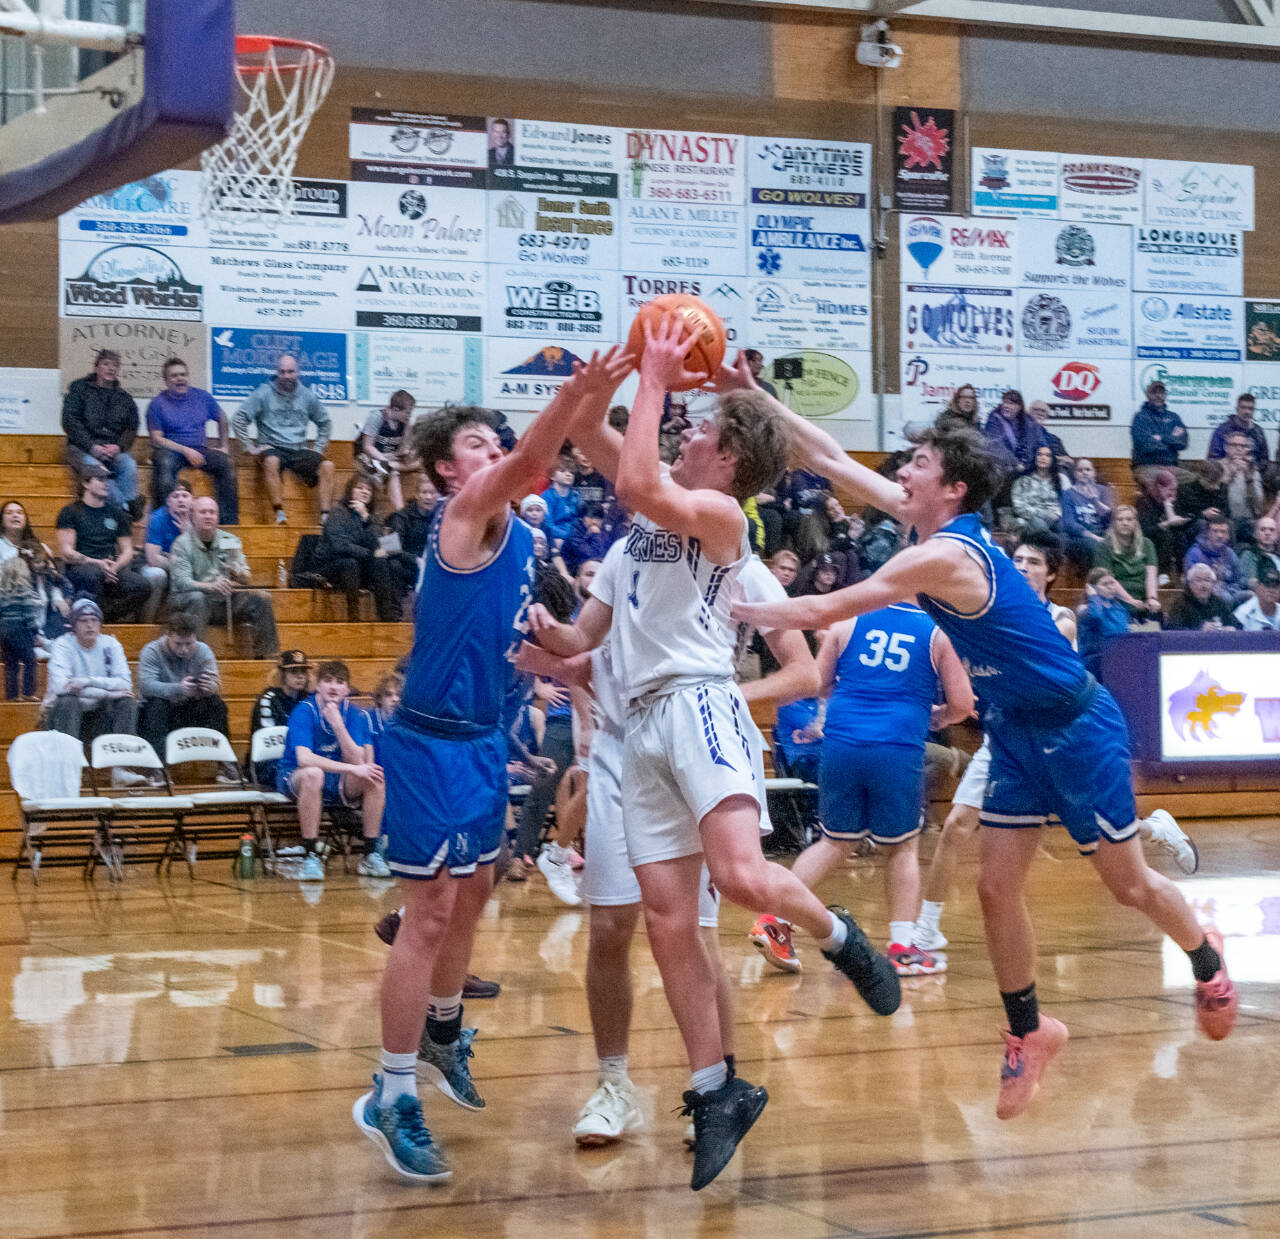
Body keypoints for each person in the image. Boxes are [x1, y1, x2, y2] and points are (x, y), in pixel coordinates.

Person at [728, 367, 1236, 1123]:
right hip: (1019, 729)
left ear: (954, 488)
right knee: (995, 887)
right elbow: (830, 457)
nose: (904, 470)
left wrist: (729, 602)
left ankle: (1206, 957)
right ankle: (1029, 1031)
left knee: (1127, 885)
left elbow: (831, 603)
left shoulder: (946, 557)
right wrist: (758, 396)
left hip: (1076, 725)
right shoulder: (921, 524)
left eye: (921, 464)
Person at [536, 318, 900, 1192]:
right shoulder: (631, 544)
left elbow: (631, 475)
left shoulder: (722, 515)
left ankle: (843, 937)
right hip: (641, 720)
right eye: (686, 422)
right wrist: (611, 375)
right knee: (667, 922)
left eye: (701, 429)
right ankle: (716, 1088)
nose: (686, 431)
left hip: (699, 702)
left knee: (738, 877)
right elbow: (590, 440)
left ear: (730, 461)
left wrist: (657, 375)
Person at [352, 353, 630, 1184]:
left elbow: (514, 641)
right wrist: (583, 393)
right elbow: (536, 459)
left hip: (484, 737)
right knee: (429, 914)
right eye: (480, 442)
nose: (497, 450)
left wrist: (562, 657)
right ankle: (391, 1094)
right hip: (431, 741)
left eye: (495, 440)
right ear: (448, 467)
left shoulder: (529, 538)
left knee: (475, 890)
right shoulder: (462, 514)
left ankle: (441, 1028)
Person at [912, 535, 1197, 955]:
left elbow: (1029, 668)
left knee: (1098, 843)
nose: (1023, 566)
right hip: (1008, 738)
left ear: (1051, 574)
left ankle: (1155, 829)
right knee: (956, 827)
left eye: (1033, 561)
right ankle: (925, 931)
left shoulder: (1060, 618)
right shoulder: (987, 613)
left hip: (1063, 737)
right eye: (1017, 560)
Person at [750, 601, 973, 979]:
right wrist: (938, 715)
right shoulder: (937, 634)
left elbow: (815, 684)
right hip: (896, 747)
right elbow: (963, 705)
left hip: (841, 745)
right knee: (902, 848)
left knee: (833, 842)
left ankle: (775, 921)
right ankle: (903, 950)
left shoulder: (846, 624)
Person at [277, 660, 388, 880]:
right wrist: (351, 769)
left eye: (340, 682)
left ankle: (370, 854)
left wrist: (338, 725)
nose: (333, 687)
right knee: (313, 774)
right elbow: (304, 759)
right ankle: (310, 855)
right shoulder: (305, 711)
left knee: (375, 777)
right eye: (327, 681)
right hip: (295, 775)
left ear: (347, 689)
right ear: (318, 686)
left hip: (337, 778)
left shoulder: (354, 714)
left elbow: (359, 761)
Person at [169, 497, 279, 659]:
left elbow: (244, 574)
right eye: (203, 512)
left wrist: (238, 576)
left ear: (218, 517)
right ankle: (194, 656)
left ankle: (265, 656)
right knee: (197, 598)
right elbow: (182, 582)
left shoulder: (230, 540)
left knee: (261, 598)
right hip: (188, 602)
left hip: (223, 601)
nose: (208, 516)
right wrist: (211, 586)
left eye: (212, 512)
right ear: (193, 516)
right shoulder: (181, 544)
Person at [233, 354, 335, 525]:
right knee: (272, 460)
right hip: (272, 448)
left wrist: (318, 449)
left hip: (297, 450)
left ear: (298, 373)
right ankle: (279, 513)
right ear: (277, 373)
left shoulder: (307, 396)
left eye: (291, 371)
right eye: (282, 372)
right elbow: (239, 418)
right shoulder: (263, 393)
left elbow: (325, 422)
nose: (287, 376)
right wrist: (248, 447)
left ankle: (325, 516)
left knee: (328, 465)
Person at [137, 614, 236, 777]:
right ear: (167, 635)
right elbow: (146, 686)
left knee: (216, 704)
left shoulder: (203, 650)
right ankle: (156, 768)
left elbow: (216, 683)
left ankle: (226, 764)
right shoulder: (152, 651)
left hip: (190, 709)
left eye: (189, 644)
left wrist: (209, 687)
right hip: (162, 711)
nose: (184, 649)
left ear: (195, 637)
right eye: (178, 644)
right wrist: (179, 688)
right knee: (155, 704)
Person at [146, 357, 239, 524]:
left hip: (200, 450)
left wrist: (224, 446)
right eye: (174, 376)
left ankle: (228, 525)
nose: (180, 378)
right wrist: (185, 450)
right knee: (164, 468)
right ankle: (165, 522)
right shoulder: (157, 404)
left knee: (227, 464)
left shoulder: (202, 397)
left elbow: (222, 418)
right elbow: (157, 440)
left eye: (183, 374)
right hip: (171, 451)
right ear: (166, 381)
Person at [55, 471, 152, 622]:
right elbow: (67, 552)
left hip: (110, 567)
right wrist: (98, 563)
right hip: (81, 567)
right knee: (92, 575)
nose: (106, 483)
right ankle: (94, 619)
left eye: (107, 479)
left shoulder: (115, 513)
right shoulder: (70, 512)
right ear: (85, 483)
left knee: (142, 586)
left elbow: (127, 551)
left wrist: (115, 567)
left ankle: (105, 618)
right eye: (100, 478)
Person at [315, 476, 413, 622]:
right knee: (351, 562)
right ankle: (353, 616)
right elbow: (340, 546)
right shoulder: (337, 512)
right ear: (350, 491)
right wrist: (370, 554)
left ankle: (387, 615)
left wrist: (366, 518)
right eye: (360, 488)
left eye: (368, 489)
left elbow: (385, 545)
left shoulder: (372, 516)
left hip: (360, 566)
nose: (365, 492)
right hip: (333, 565)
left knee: (383, 562)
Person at [42, 598, 138, 747]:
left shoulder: (110, 644)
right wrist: (107, 693)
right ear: (73, 625)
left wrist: (87, 682)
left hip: (98, 713)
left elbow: (125, 685)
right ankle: (68, 764)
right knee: (68, 701)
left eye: (94, 620)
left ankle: (120, 765)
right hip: (63, 715)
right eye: (83, 620)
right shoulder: (62, 644)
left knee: (126, 702)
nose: (89, 625)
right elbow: (63, 687)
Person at [60, 349, 141, 516]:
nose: (111, 369)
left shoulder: (125, 398)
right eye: (106, 364)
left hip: (113, 450)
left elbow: (132, 428)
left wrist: (119, 447)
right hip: (81, 448)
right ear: (96, 367)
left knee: (129, 465)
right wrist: (91, 446)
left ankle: (123, 510)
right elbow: (70, 421)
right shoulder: (78, 389)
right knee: (100, 474)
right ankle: (126, 510)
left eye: (115, 365)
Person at [248, 650, 312, 786]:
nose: (300, 676)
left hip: (298, 760)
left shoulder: (308, 700)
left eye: (303, 672)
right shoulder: (267, 700)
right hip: (270, 764)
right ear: (282, 675)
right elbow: (270, 742)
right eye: (294, 672)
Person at [1094, 505, 1160, 619]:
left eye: (1129, 519)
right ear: (1113, 523)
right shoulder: (1103, 546)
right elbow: (1108, 580)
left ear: (1135, 523)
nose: (1125, 523)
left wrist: (1152, 598)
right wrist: (1130, 600)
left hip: (1143, 597)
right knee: (1131, 612)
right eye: (1120, 519)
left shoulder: (1147, 544)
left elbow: (1151, 575)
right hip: (1115, 598)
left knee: (1156, 613)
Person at [357, 390, 414, 512]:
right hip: (369, 458)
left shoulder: (405, 422)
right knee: (392, 472)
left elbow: (405, 447)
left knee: (419, 462)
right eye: (407, 413)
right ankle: (401, 513)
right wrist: (384, 458)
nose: (409, 416)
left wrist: (405, 452)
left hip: (390, 458)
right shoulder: (376, 417)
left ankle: (388, 467)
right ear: (395, 409)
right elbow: (368, 446)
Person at [1135, 468, 1192, 580]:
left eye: (1175, 490)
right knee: (1166, 536)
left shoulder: (1172, 500)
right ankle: (1163, 574)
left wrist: (1169, 508)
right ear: (1160, 487)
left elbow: (1181, 520)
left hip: (1171, 537)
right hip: (1150, 538)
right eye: (1170, 490)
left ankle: (1182, 573)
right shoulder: (1144, 502)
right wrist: (1167, 523)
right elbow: (1145, 531)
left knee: (1181, 536)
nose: (1173, 494)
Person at [1131, 380, 1191, 485]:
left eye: (1161, 393)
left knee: (1194, 480)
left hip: (1172, 466)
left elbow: (1183, 443)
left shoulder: (1174, 417)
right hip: (1147, 466)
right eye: (1154, 393)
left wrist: (1161, 438)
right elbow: (1147, 446)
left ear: (1165, 395)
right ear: (1148, 395)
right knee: (1163, 481)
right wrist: (1172, 439)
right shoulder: (1140, 417)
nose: (1158, 396)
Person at [1060, 458, 1113, 575]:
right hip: (1079, 537)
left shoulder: (1103, 490)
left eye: (1088, 469)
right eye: (1080, 470)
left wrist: (1095, 501)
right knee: (1093, 545)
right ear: (1075, 474)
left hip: (1103, 534)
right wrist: (1095, 537)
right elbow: (1070, 523)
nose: (1084, 472)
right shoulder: (1068, 494)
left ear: (1093, 472)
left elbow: (1110, 517)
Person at [1184, 513, 1248, 607]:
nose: (1219, 535)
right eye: (1215, 531)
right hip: (1206, 596)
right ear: (1208, 533)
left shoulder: (1229, 553)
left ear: (1228, 536)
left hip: (1231, 592)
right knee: (1226, 599)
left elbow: (1240, 578)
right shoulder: (1195, 553)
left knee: (1250, 596)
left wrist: (1232, 591)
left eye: (1223, 532)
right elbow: (1192, 583)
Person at [1076, 569, 1131, 676]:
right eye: (1105, 584)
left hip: (1117, 662)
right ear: (1091, 587)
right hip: (1094, 665)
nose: (1111, 587)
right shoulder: (1083, 609)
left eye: (1112, 583)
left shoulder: (1119, 609)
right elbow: (1095, 617)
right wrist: (1093, 597)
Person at [984, 389, 1049, 479]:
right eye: (1005, 402)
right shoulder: (994, 420)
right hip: (1004, 470)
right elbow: (996, 447)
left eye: (1011, 404)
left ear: (1019, 407)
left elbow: (1041, 444)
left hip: (1029, 468)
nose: (1006, 406)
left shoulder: (1030, 422)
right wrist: (1016, 464)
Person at [0, 556, 40, 700]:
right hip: (20, 629)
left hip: (4, 630)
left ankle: (12, 695)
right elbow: (28, 614)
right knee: (30, 660)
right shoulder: (25, 590)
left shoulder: (2, 592)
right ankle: (28, 693)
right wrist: (35, 632)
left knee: (11, 663)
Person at [1166, 562, 1240, 630]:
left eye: (1207, 580)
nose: (1204, 585)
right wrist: (1199, 629)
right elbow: (1172, 629)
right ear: (1190, 584)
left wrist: (1230, 628)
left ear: (1213, 584)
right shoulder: (1180, 604)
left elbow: (1237, 624)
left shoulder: (1218, 603)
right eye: (1199, 580)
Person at [1009, 444, 1062, 537]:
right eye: (1039, 454)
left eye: (1047, 455)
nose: (1043, 458)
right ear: (1034, 457)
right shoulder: (1022, 481)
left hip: (1052, 521)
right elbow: (1019, 508)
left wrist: (1056, 515)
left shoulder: (1057, 481)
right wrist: (1043, 515)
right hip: (1028, 520)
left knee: (1062, 527)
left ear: (1052, 460)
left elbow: (1060, 505)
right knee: (1037, 525)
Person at [1220, 429, 1266, 537]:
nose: (1239, 448)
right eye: (1234, 445)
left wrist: (1248, 478)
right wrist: (1230, 475)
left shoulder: (1253, 469)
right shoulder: (1218, 467)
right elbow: (1213, 495)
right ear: (1226, 447)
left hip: (1249, 521)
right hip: (1224, 520)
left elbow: (1258, 506)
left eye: (1243, 446)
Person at [1208, 393, 1269, 468]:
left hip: (1252, 476)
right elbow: (1213, 458)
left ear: (1254, 410)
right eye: (1243, 407)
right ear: (1237, 409)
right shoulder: (1222, 430)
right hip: (1226, 476)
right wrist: (1228, 466)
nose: (1247, 412)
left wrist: (1251, 468)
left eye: (1250, 408)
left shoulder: (1258, 432)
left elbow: (1264, 460)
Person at [387, 474, 438, 562]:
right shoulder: (399, 517)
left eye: (432, 493)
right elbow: (389, 549)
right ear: (416, 495)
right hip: (406, 567)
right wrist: (416, 561)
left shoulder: (439, 517)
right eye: (424, 492)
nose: (428, 497)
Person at [540, 456, 580, 547]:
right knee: (559, 542)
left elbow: (579, 520)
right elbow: (547, 524)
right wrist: (568, 536)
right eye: (563, 471)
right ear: (552, 476)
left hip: (574, 536)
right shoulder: (547, 496)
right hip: (555, 537)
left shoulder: (576, 495)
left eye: (571, 472)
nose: (568, 474)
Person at [1027, 398, 1071, 477]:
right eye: (1036, 410)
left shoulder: (1054, 439)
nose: (1039, 413)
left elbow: (1069, 461)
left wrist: (1064, 460)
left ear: (1046, 415)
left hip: (1051, 477)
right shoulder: (1020, 434)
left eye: (1043, 411)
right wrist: (1055, 459)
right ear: (1029, 413)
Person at [1233, 559, 1280, 631]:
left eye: (1275, 586)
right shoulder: (1243, 613)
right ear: (1258, 587)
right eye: (1267, 585)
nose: (1271, 590)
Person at [1240, 515, 1280, 586]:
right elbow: (1249, 581)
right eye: (1263, 529)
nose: (1267, 533)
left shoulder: (1278, 556)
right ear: (1255, 534)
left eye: (1272, 530)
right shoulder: (1249, 555)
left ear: (1277, 535)